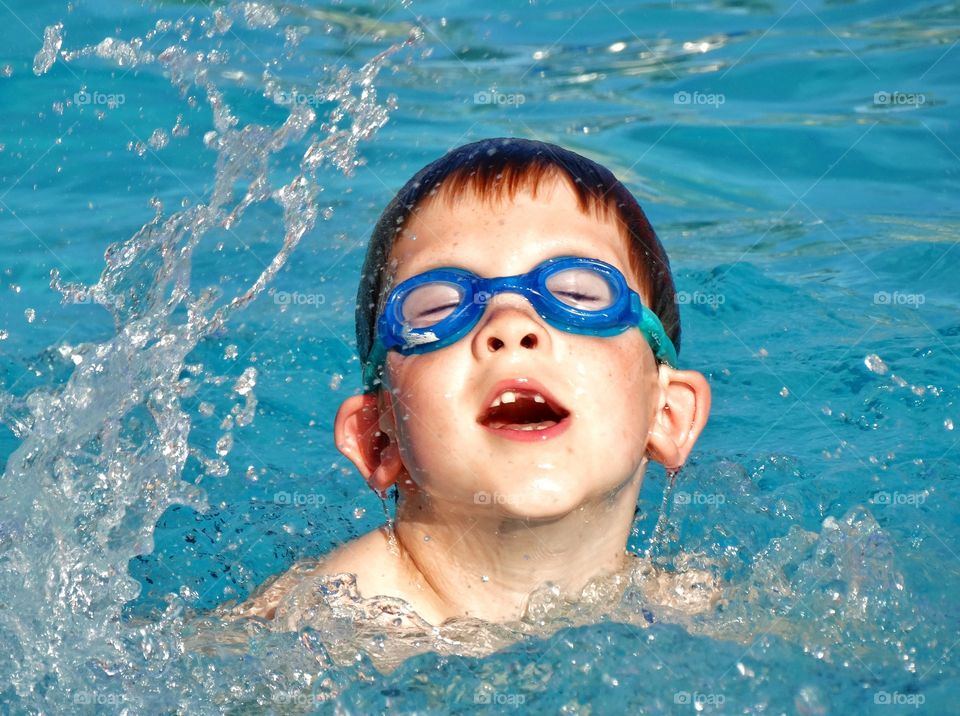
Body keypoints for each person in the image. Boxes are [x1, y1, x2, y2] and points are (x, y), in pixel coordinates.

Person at [233, 137, 711, 626]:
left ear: (668, 413)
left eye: (577, 292)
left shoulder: (694, 610)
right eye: (439, 305)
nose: (510, 325)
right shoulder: (323, 617)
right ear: (379, 436)